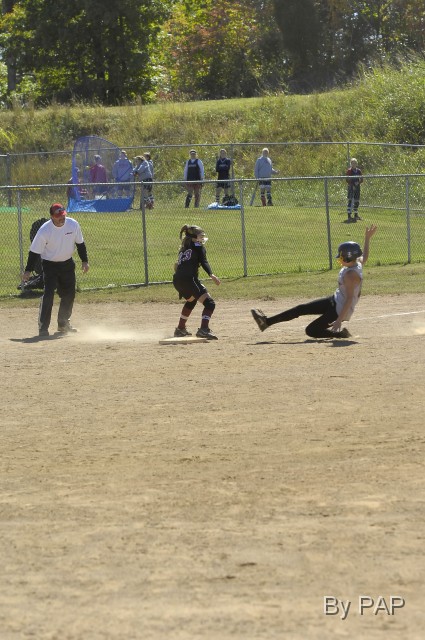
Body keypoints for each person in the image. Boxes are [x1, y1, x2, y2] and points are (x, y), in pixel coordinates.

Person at [251, 225, 378, 339]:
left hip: (339, 310)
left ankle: (339, 334)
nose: (339, 259)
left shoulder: (350, 275)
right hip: (334, 300)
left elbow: (349, 299)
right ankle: (266, 322)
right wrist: (367, 238)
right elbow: (365, 257)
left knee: (311, 330)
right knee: (301, 309)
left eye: (341, 256)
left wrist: (339, 320)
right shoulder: (356, 263)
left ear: (349, 257)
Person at [22, 203, 90, 337]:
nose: (62, 218)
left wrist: (85, 261)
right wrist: (28, 270)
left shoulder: (73, 224)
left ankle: (63, 324)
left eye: (63, 215)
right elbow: (34, 252)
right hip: (50, 265)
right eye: (58, 216)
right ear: (52, 216)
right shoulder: (44, 230)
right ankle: (43, 328)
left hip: (67, 264)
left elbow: (80, 244)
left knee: (69, 294)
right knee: (49, 295)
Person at [173, 224, 220, 340]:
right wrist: (211, 274)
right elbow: (204, 261)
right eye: (200, 236)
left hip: (177, 279)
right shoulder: (198, 247)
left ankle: (180, 329)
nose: (202, 238)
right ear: (194, 237)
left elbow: (177, 265)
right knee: (209, 303)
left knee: (191, 301)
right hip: (189, 279)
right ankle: (204, 329)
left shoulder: (184, 247)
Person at [346, 157, 363, 221]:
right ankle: (349, 216)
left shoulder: (358, 171)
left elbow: (361, 179)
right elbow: (347, 179)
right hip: (351, 187)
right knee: (350, 201)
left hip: (357, 187)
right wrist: (352, 185)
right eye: (352, 163)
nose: (354, 164)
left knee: (356, 201)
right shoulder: (349, 171)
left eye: (355, 163)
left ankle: (356, 215)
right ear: (351, 164)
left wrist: (358, 182)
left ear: (356, 164)